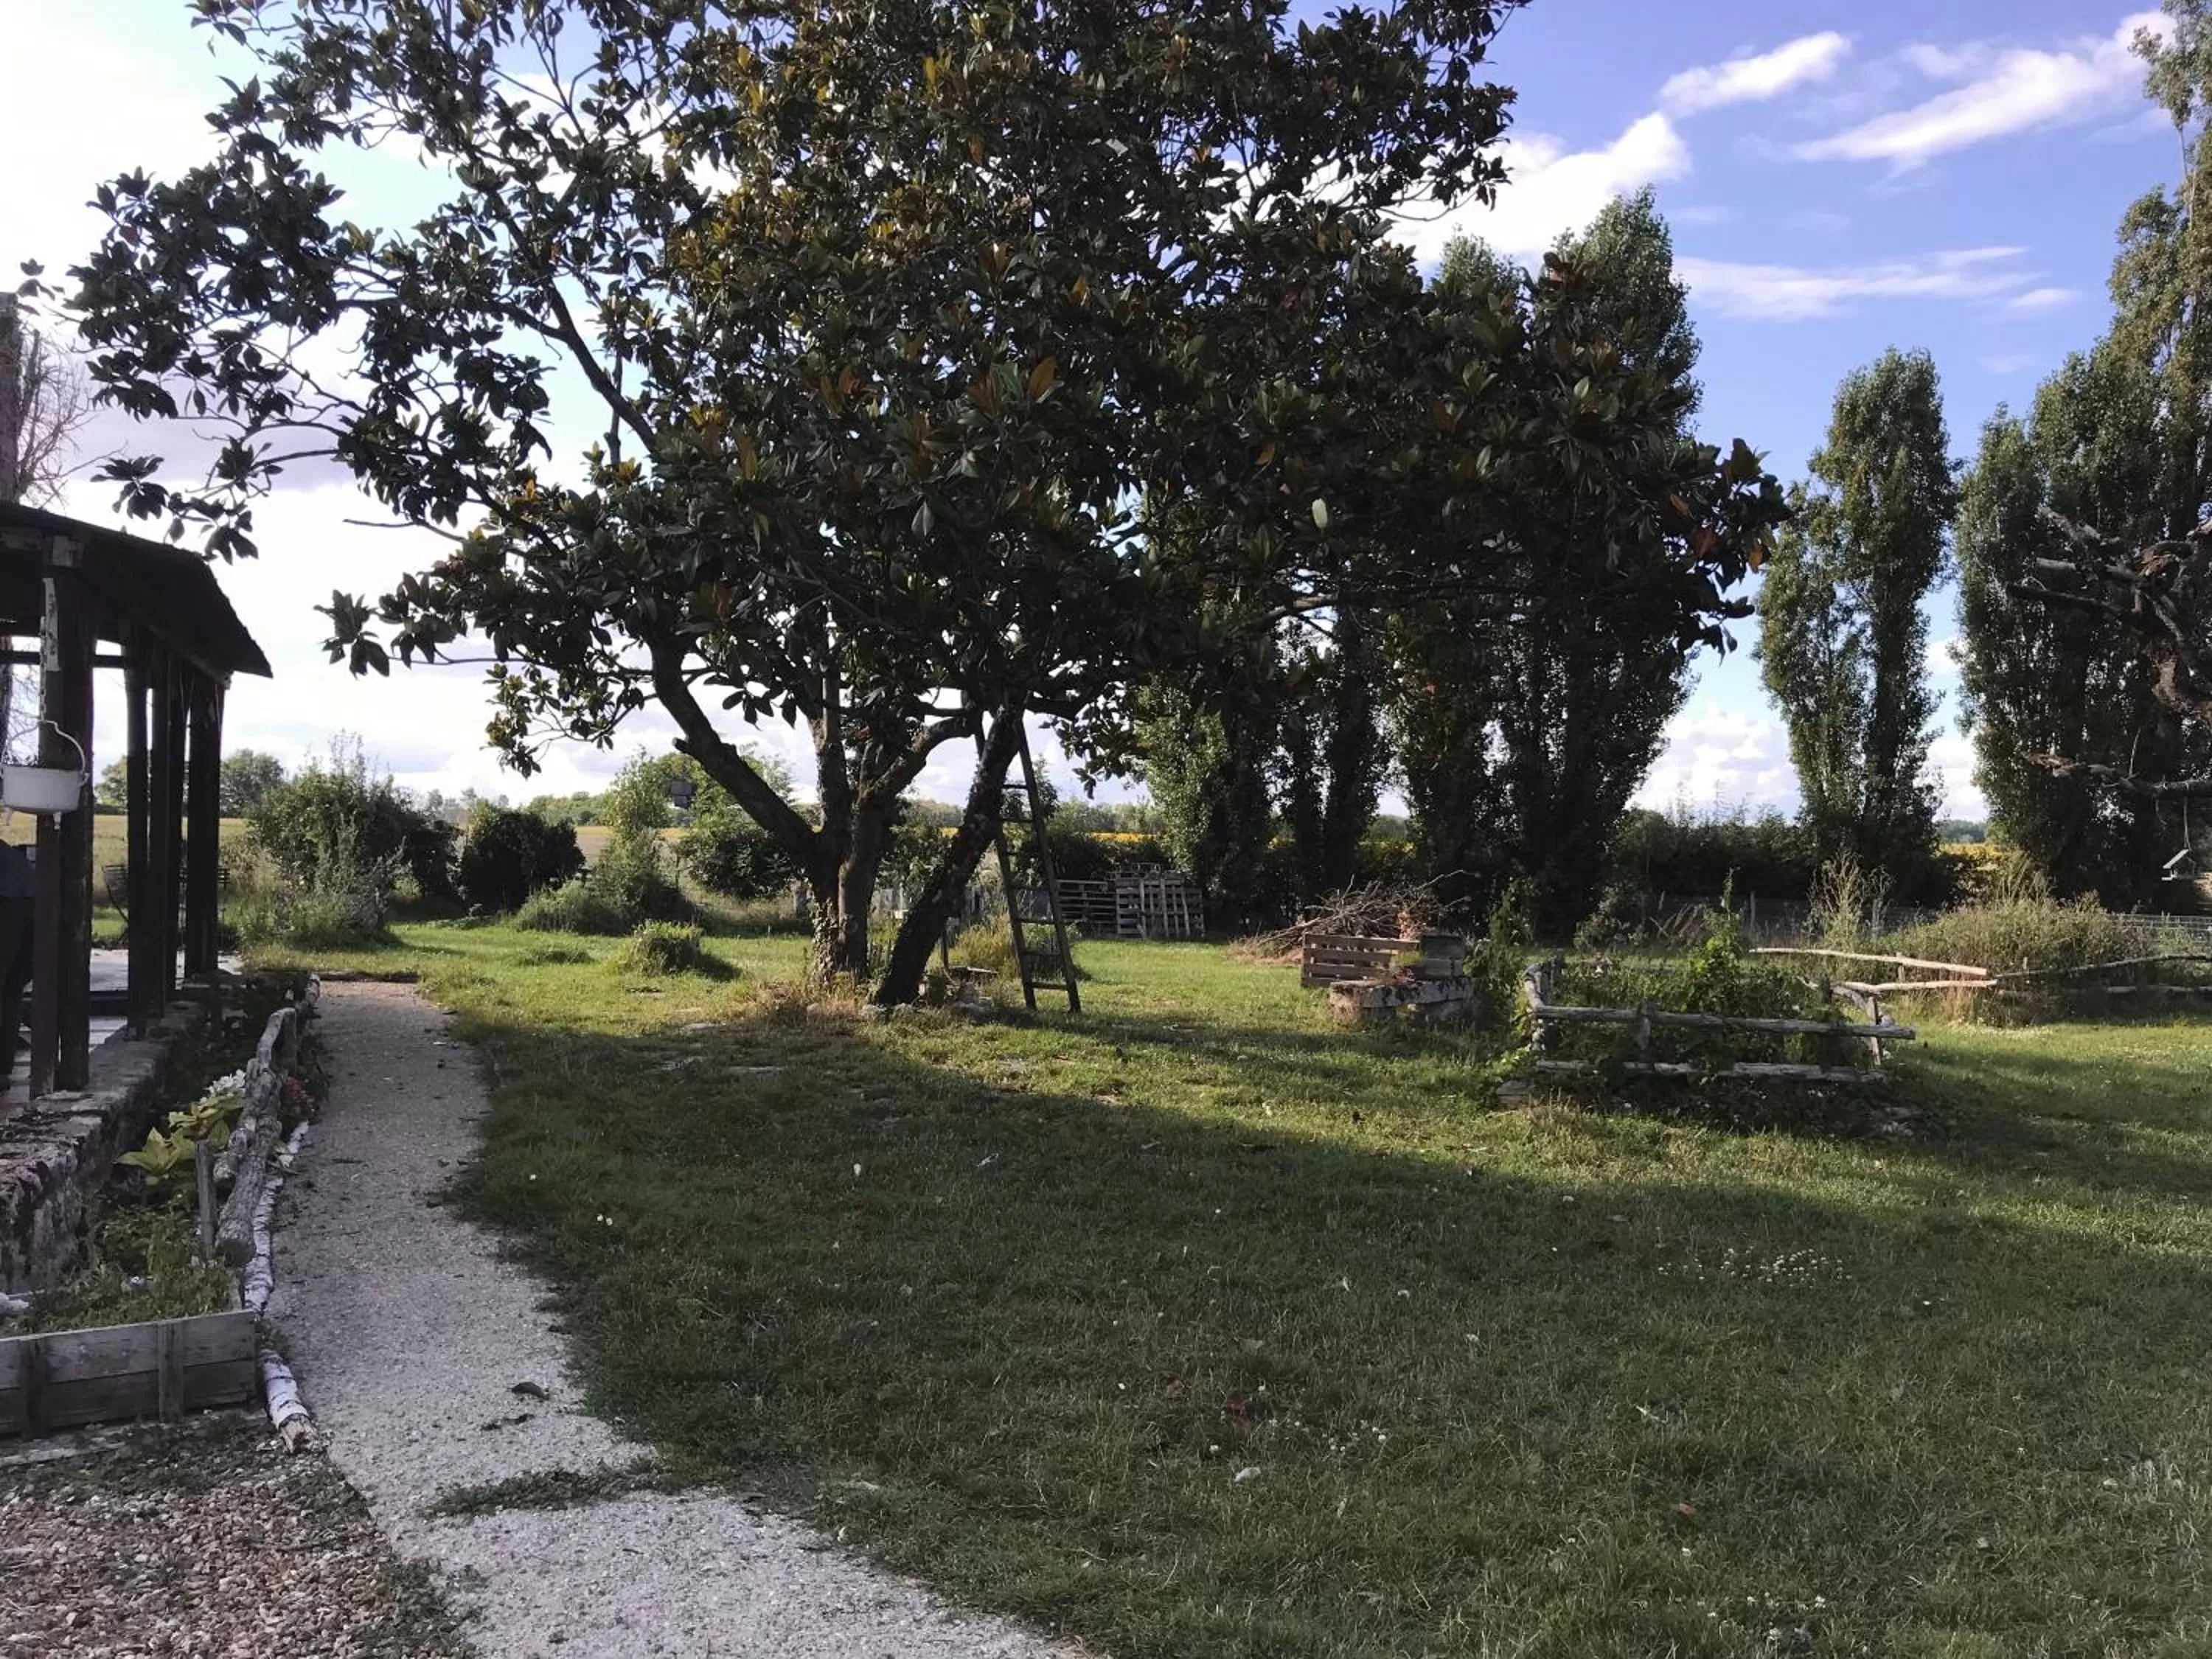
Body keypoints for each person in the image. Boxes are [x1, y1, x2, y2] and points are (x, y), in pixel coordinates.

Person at [0, 838, 32, 1085]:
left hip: (10, 902)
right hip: (27, 901)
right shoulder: (11, 859)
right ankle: (2, 1066)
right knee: (11, 989)